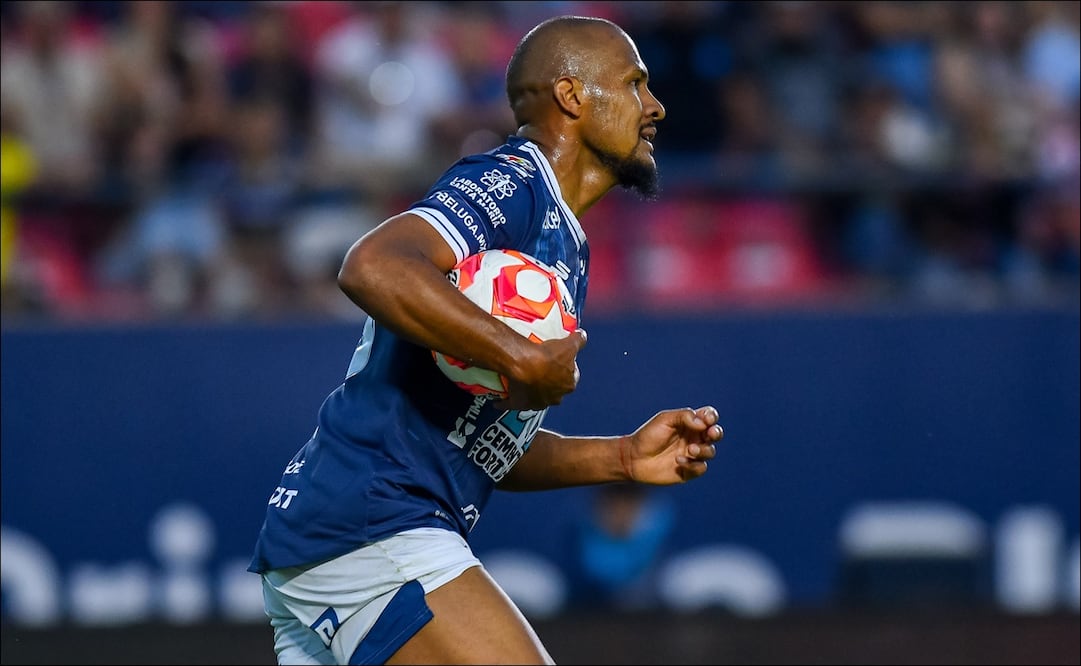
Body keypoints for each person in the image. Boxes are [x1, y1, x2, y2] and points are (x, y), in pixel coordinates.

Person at [248, 15, 724, 665]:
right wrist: (519, 355)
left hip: (340, 534)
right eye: (634, 83)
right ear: (571, 95)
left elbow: (478, 444)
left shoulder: (563, 247)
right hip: (372, 522)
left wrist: (618, 458)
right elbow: (373, 265)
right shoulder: (513, 182)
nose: (655, 105)